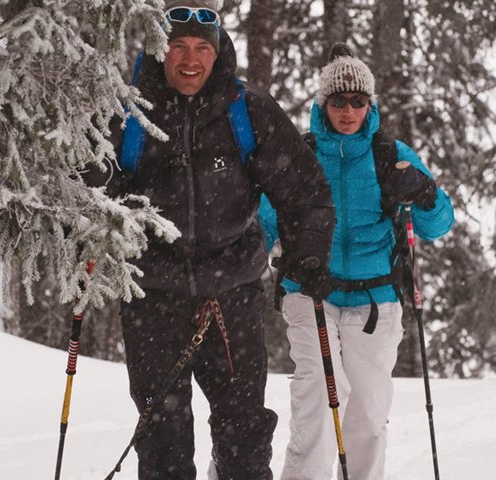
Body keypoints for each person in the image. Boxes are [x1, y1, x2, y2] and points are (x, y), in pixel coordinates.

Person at [86, 1, 335, 479]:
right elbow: (87, 196)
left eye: (202, 47)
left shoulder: (248, 111)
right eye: (178, 46)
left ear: (217, 52)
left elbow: (305, 190)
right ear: (160, 51)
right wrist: (82, 242)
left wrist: (309, 252)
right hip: (153, 297)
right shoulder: (128, 114)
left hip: (233, 294)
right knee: (162, 443)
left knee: (244, 437)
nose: (190, 59)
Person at [258, 43, 456, 480]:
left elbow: (438, 225)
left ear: (370, 104)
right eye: (338, 101)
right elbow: (264, 223)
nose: (348, 111)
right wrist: (241, 259)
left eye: (357, 101)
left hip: (375, 299)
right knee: (318, 394)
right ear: (322, 104)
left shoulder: (389, 154)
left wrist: (424, 192)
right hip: (311, 292)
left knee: (368, 412)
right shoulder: (300, 154)